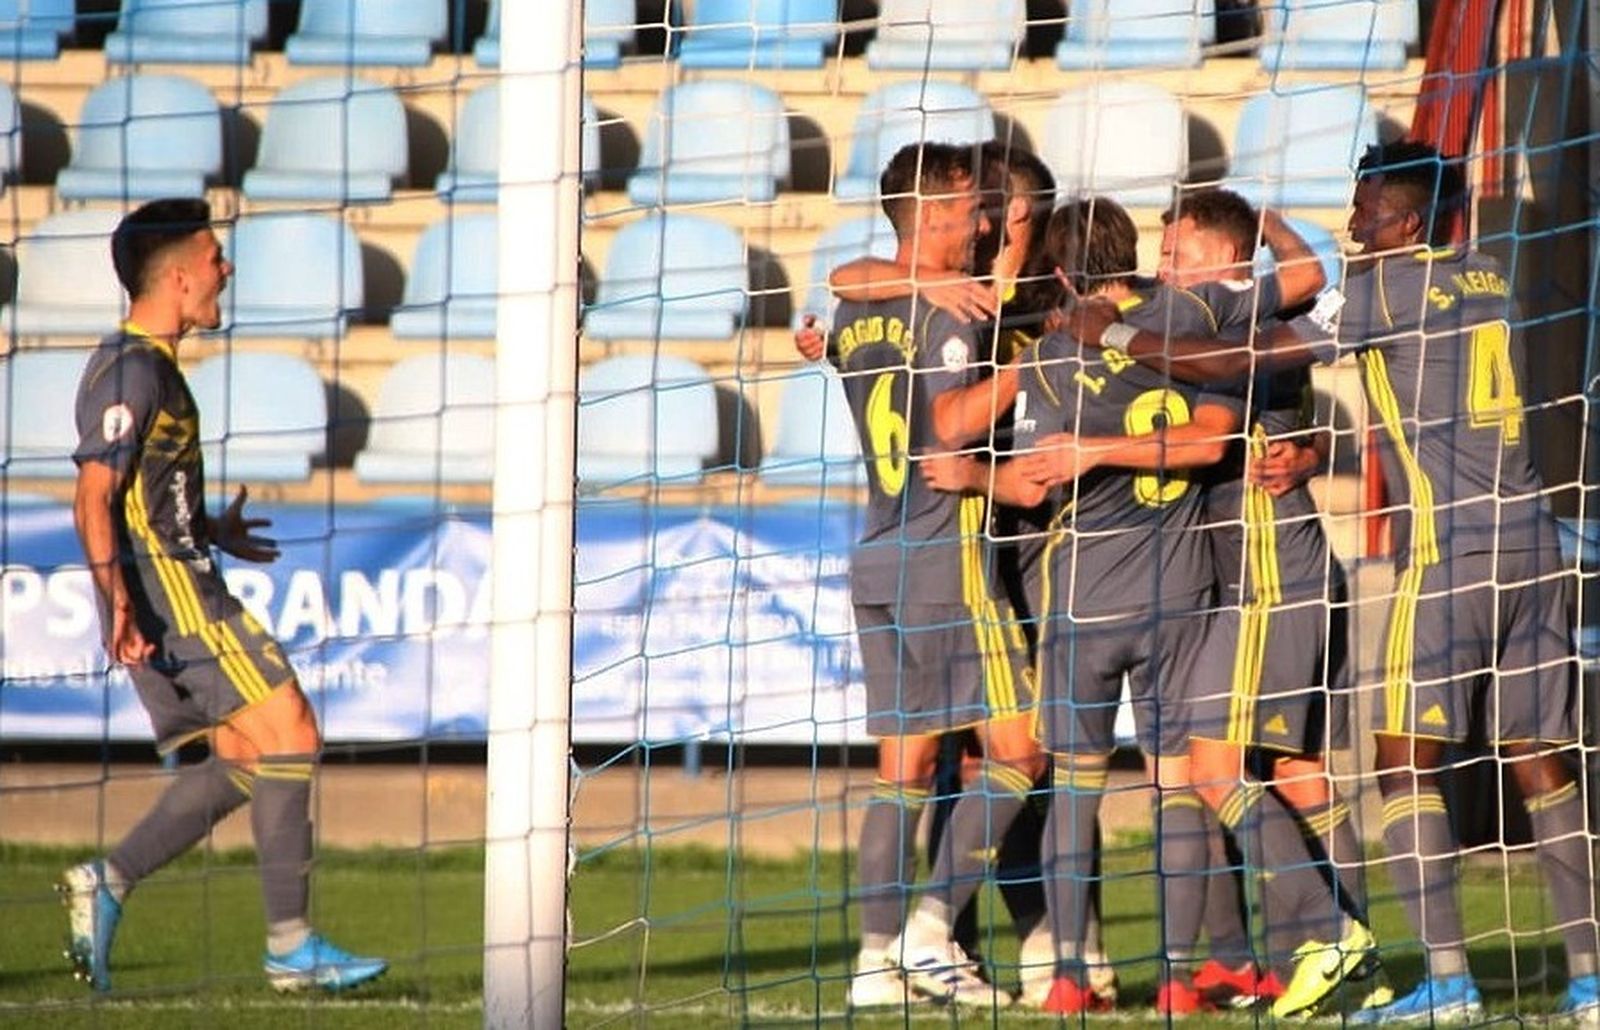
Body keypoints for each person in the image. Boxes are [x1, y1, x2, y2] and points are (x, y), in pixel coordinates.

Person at [1069, 139, 1598, 1023]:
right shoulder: (1488, 277)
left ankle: (1448, 985)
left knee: (1400, 764)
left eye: (1365, 212)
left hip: (1448, 554)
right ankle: (1589, 983)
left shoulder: (1386, 288)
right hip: (1535, 544)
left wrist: (1112, 332)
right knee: (1543, 767)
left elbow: (1238, 362)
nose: (1353, 226)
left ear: (1410, 221)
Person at [950, 194, 1374, 1017]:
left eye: (1179, 251)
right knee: (1184, 784)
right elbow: (1291, 308)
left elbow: (991, 452)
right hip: (1185, 592)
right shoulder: (1198, 321)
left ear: (1063, 272)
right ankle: (1190, 976)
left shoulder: (1050, 355)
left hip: (1086, 597)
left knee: (1081, 788)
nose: (1168, 265)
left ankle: (1070, 973)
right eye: (1160, 252)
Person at [61, 198, 387, 994]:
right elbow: (92, 497)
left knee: (245, 757)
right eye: (214, 258)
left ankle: (110, 879)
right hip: (176, 599)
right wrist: (123, 604)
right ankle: (290, 946)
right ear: (177, 277)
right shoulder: (134, 369)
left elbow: (141, 494)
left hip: (181, 579)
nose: (225, 269)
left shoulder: (143, 366)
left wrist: (207, 525)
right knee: (292, 732)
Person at [798, 141, 1076, 1009]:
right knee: (1022, 752)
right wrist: (1028, 367)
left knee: (903, 770)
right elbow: (949, 431)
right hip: (945, 557)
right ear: (933, 211)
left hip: (877, 553)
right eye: (970, 209)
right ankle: (929, 931)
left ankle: (873, 966)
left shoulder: (854, 308)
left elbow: (844, 283)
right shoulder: (948, 310)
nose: (985, 222)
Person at [1152, 189, 1378, 1008]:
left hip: (1268, 578)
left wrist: (1269, 224)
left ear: (1226, 263)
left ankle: (1333, 935)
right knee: (1298, 771)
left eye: (1176, 253)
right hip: (1283, 571)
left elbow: (1305, 279)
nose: (1162, 266)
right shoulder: (1264, 337)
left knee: (1211, 768)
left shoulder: (1239, 328)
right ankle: (1355, 961)